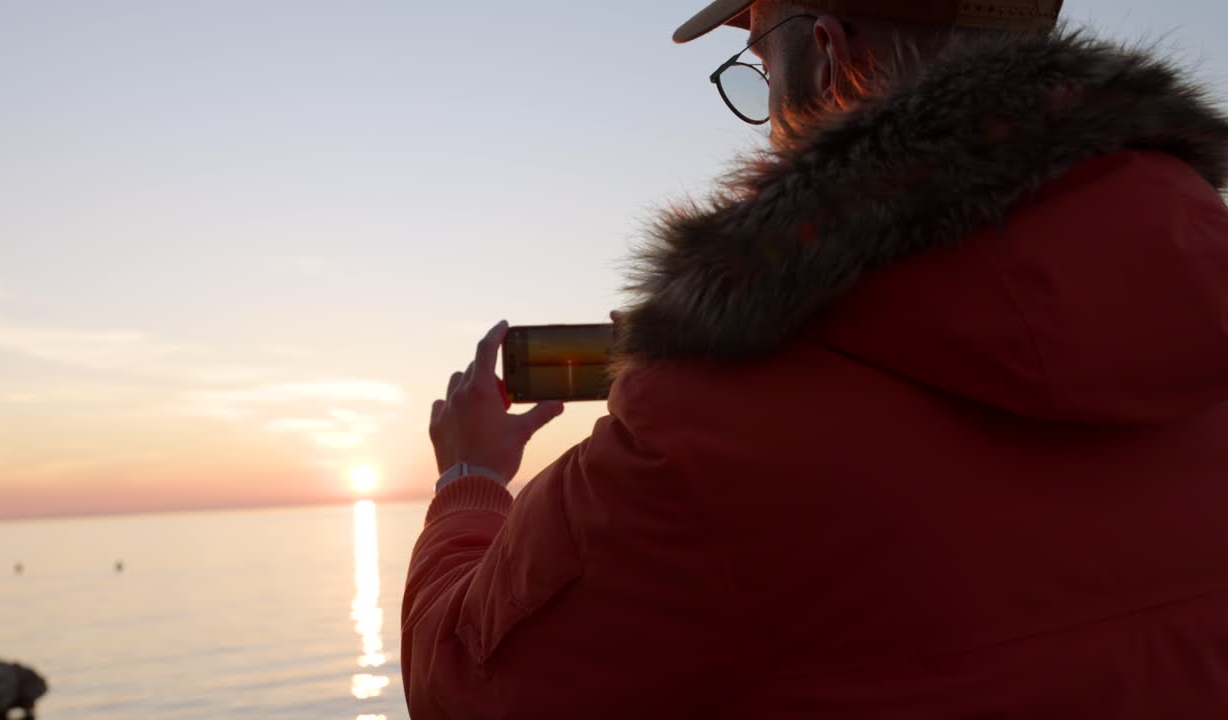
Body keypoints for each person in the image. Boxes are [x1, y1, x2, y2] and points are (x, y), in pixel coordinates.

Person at [403, 1, 1228, 717]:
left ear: (834, 57)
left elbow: (470, 690)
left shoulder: (714, 441)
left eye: (760, 65)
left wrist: (468, 482)